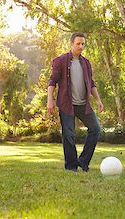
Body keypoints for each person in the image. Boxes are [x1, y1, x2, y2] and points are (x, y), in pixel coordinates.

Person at [47, 32, 103, 172]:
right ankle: (71, 166)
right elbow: (52, 81)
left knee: (95, 129)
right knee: (69, 135)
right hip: (67, 104)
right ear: (71, 44)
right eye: (78, 43)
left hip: (84, 105)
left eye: (83, 44)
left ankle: (83, 162)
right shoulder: (60, 60)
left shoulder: (86, 63)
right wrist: (50, 101)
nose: (81, 46)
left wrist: (98, 100)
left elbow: (91, 83)